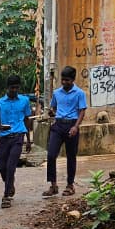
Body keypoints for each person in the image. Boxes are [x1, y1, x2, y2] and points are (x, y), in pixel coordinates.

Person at [44, 66, 87, 198]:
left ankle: (70, 185)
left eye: (67, 80)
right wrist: (52, 113)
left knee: (71, 156)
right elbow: (54, 107)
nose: (64, 82)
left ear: (73, 80)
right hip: (58, 125)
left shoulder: (79, 93)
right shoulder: (57, 93)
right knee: (51, 155)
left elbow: (82, 111)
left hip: (72, 125)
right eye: (63, 80)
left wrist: (76, 127)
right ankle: (53, 185)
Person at [0, 74, 33, 208]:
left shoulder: (24, 101)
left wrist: (28, 140)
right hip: (4, 137)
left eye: (16, 88)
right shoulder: (0, 103)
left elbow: (27, 120)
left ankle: (6, 196)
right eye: (12, 88)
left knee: (11, 166)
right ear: (7, 88)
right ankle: (9, 183)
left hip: (18, 136)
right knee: (1, 166)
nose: (14, 90)